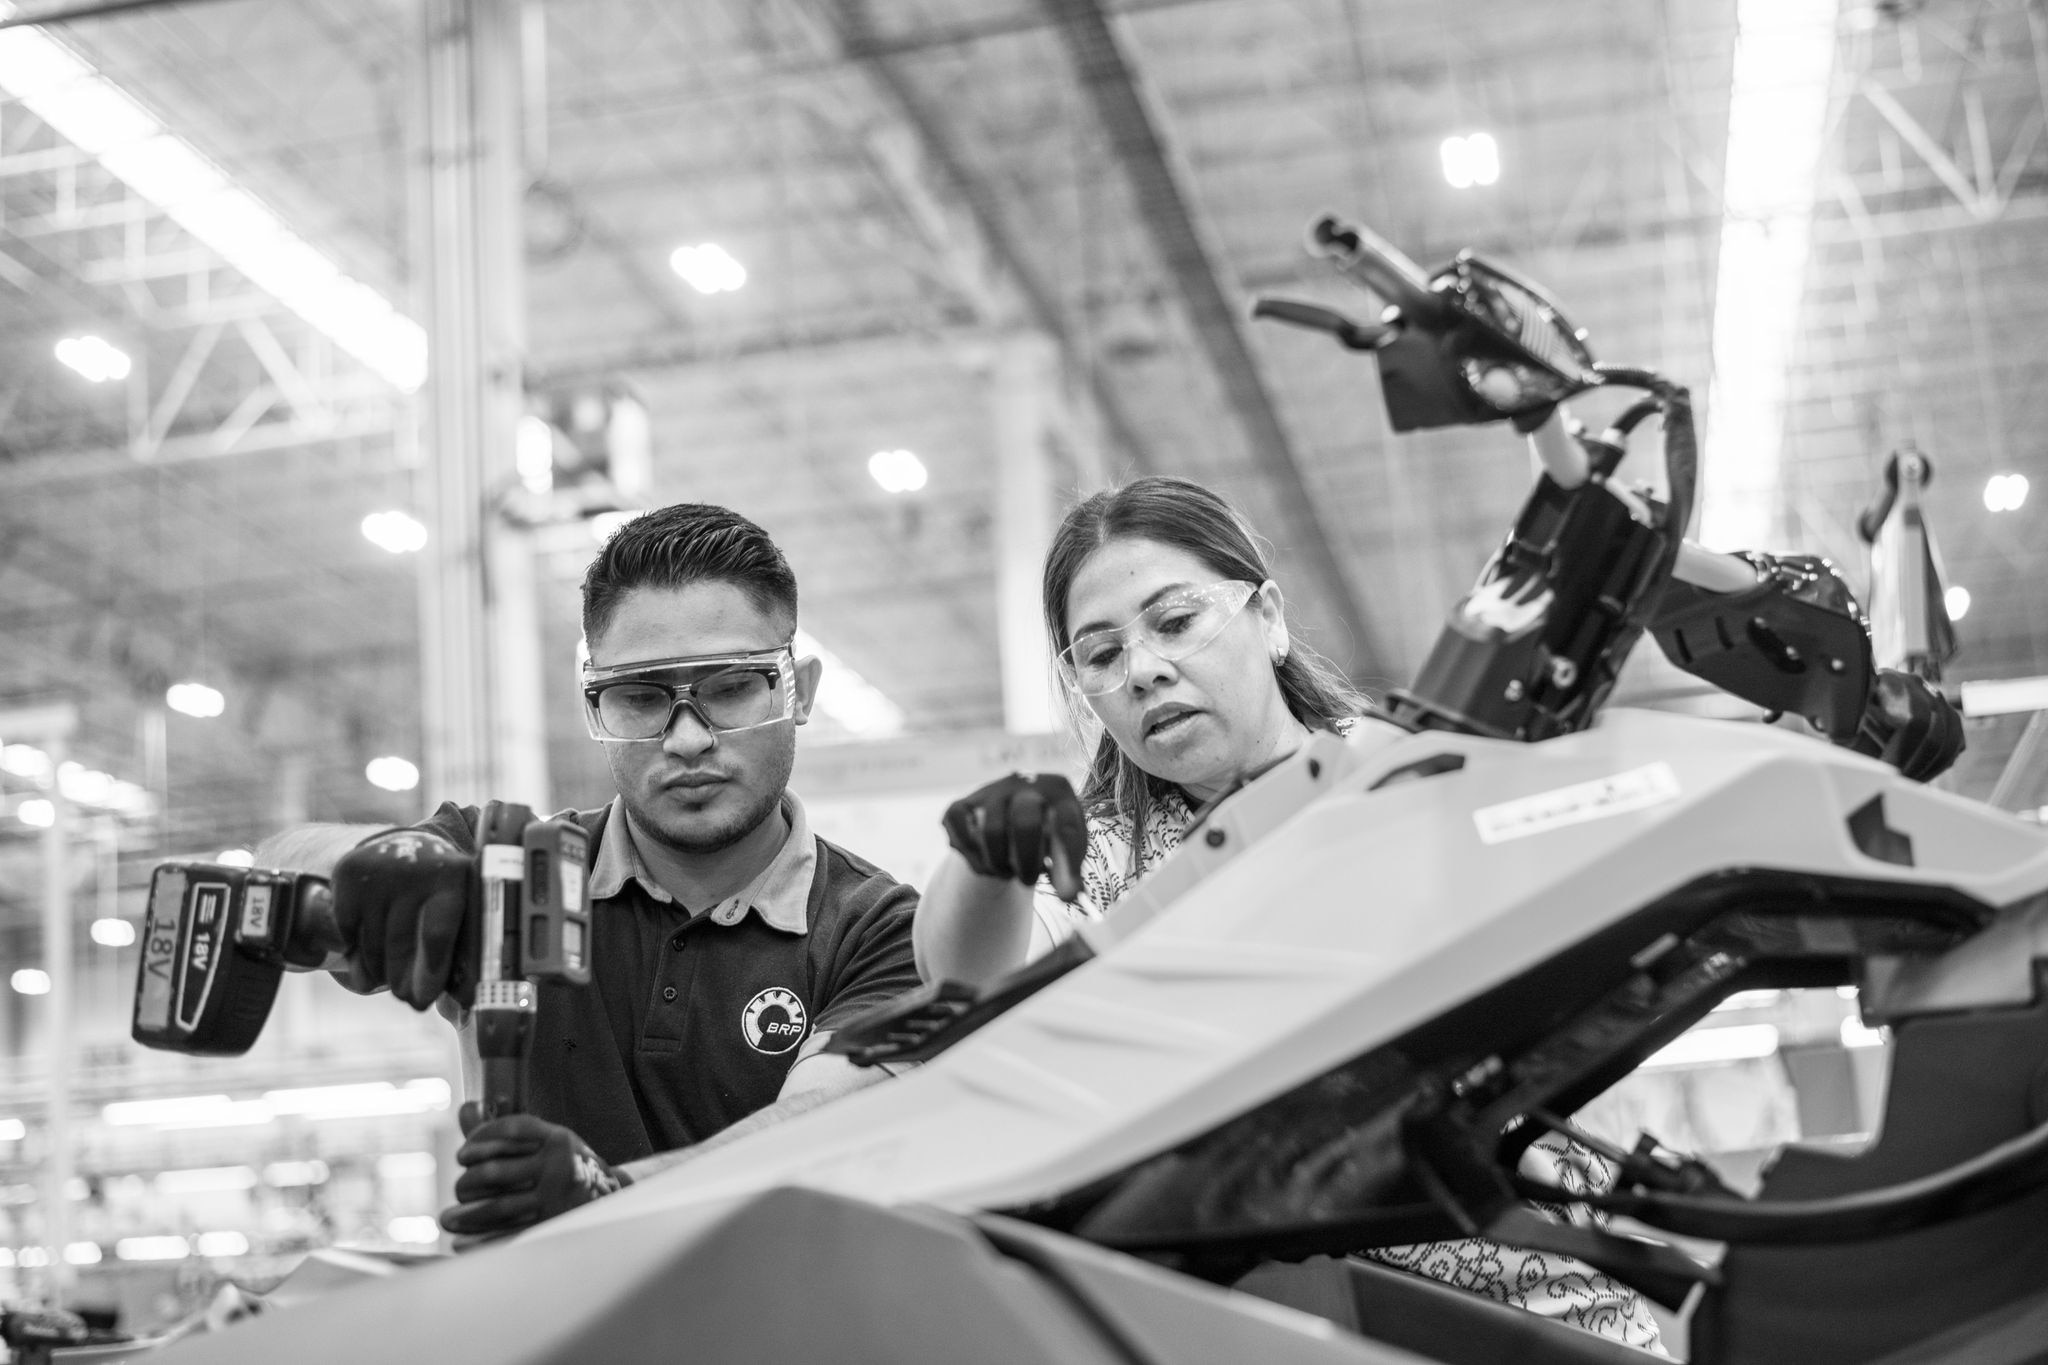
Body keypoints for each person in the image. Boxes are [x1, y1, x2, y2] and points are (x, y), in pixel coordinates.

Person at [912, 474, 1665, 1349]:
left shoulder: (1416, 773)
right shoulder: (1109, 859)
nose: (1146, 668)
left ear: (1267, 616)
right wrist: (982, 863)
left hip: (1528, 1284)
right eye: (1102, 654)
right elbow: (966, 985)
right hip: (1271, 1321)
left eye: (1176, 620)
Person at [259, 503, 921, 1238]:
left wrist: (609, 1192)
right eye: (640, 698)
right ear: (594, 700)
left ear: (800, 689)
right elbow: (276, 868)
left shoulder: (879, 928)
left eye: (732, 687)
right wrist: (373, 867)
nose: (689, 738)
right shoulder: (507, 869)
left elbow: (818, 1131)